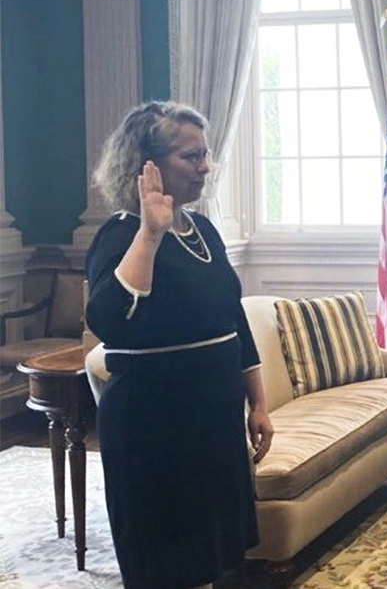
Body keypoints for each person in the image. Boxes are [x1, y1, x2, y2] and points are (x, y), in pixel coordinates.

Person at [85, 101, 274, 589]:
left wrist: (259, 402)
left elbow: (232, 319)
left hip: (211, 424)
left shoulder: (205, 230)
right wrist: (151, 232)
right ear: (146, 164)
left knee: (208, 558)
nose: (204, 167)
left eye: (205, 155)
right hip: (153, 429)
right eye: (191, 157)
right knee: (167, 563)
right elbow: (108, 320)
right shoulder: (121, 234)